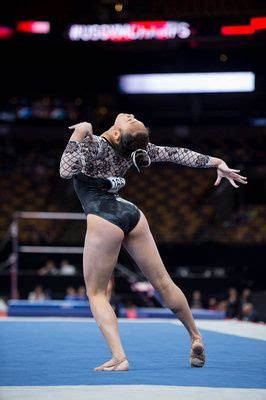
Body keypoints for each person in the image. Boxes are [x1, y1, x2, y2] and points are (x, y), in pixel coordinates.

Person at [60, 113, 247, 371]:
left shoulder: (97, 144)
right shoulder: (138, 150)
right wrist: (217, 162)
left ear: (116, 133)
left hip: (103, 217)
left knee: (97, 293)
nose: (131, 115)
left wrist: (79, 132)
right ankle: (195, 336)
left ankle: (119, 357)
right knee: (163, 282)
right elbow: (177, 154)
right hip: (131, 214)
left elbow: (65, 171)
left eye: (130, 120)